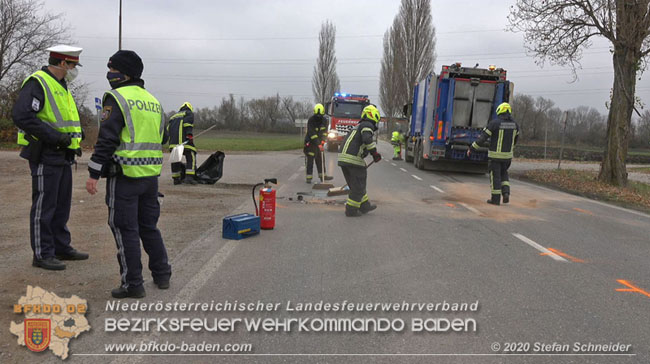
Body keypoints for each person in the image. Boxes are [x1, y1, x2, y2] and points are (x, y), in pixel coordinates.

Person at [85, 50, 171, 298]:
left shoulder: (116, 97)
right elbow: (163, 137)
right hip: (150, 178)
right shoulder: (154, 102)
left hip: (124, 177)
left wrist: (94, 172)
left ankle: (133, 284)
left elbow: (107, 139)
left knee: (125, 230)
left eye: (112, 69)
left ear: (124, 73)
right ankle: (162, 274)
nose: (109, 74)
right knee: (149, 227)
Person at [12, 45, 89, 271]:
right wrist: (57, 138)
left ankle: (60, 247)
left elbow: (62, 118)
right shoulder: (38, 82)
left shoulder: (61, 86)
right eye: (73, 65)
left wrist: (75, 138)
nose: (75, 70)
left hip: (62, 154)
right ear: (63, 64)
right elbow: (22, 115)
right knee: (45, 206)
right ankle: (43, 253)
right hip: (45, 153)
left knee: (60, 205)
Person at [468, 102, 520, 205]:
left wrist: (472, 148)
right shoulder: (515, 125)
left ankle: (495, 199)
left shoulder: (494, 123)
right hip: (507, 157)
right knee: (504, 174)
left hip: (495, 157)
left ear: (500, 111)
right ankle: (506, 193)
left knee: (495, 177)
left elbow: (483, 138)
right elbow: (515, 140)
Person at [337, 105, 382, 217]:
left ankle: (364, 205)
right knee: (358, 185)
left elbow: (360, 142)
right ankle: (351, 210)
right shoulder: (367, 125)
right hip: (353, 159)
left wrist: (367, 152)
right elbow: (367, 139)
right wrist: (375, 153)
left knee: (356, 184)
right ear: (374, 115)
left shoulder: (358, 125)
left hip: (344, 158)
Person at [168, 102, 197, 185]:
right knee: (191, 154)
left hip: (173, 143)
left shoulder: (173, 117)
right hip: (184, 141)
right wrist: (189, 135)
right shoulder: (188, 113)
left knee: (175, 159)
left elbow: (168, 129)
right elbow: (187, 124)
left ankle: (176, 179)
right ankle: (189, 178)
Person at [304, 103, 333, 183]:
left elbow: (325, 132)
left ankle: (322, 176)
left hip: (319, 142)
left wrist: (323, 141)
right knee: (310, 160)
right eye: (317, 115)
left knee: (320, 159)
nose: (319, 117)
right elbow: (312, 134)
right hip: (311, 143)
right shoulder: (311, 120)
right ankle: (309, 177)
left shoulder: (324, 120)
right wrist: (318, 144)